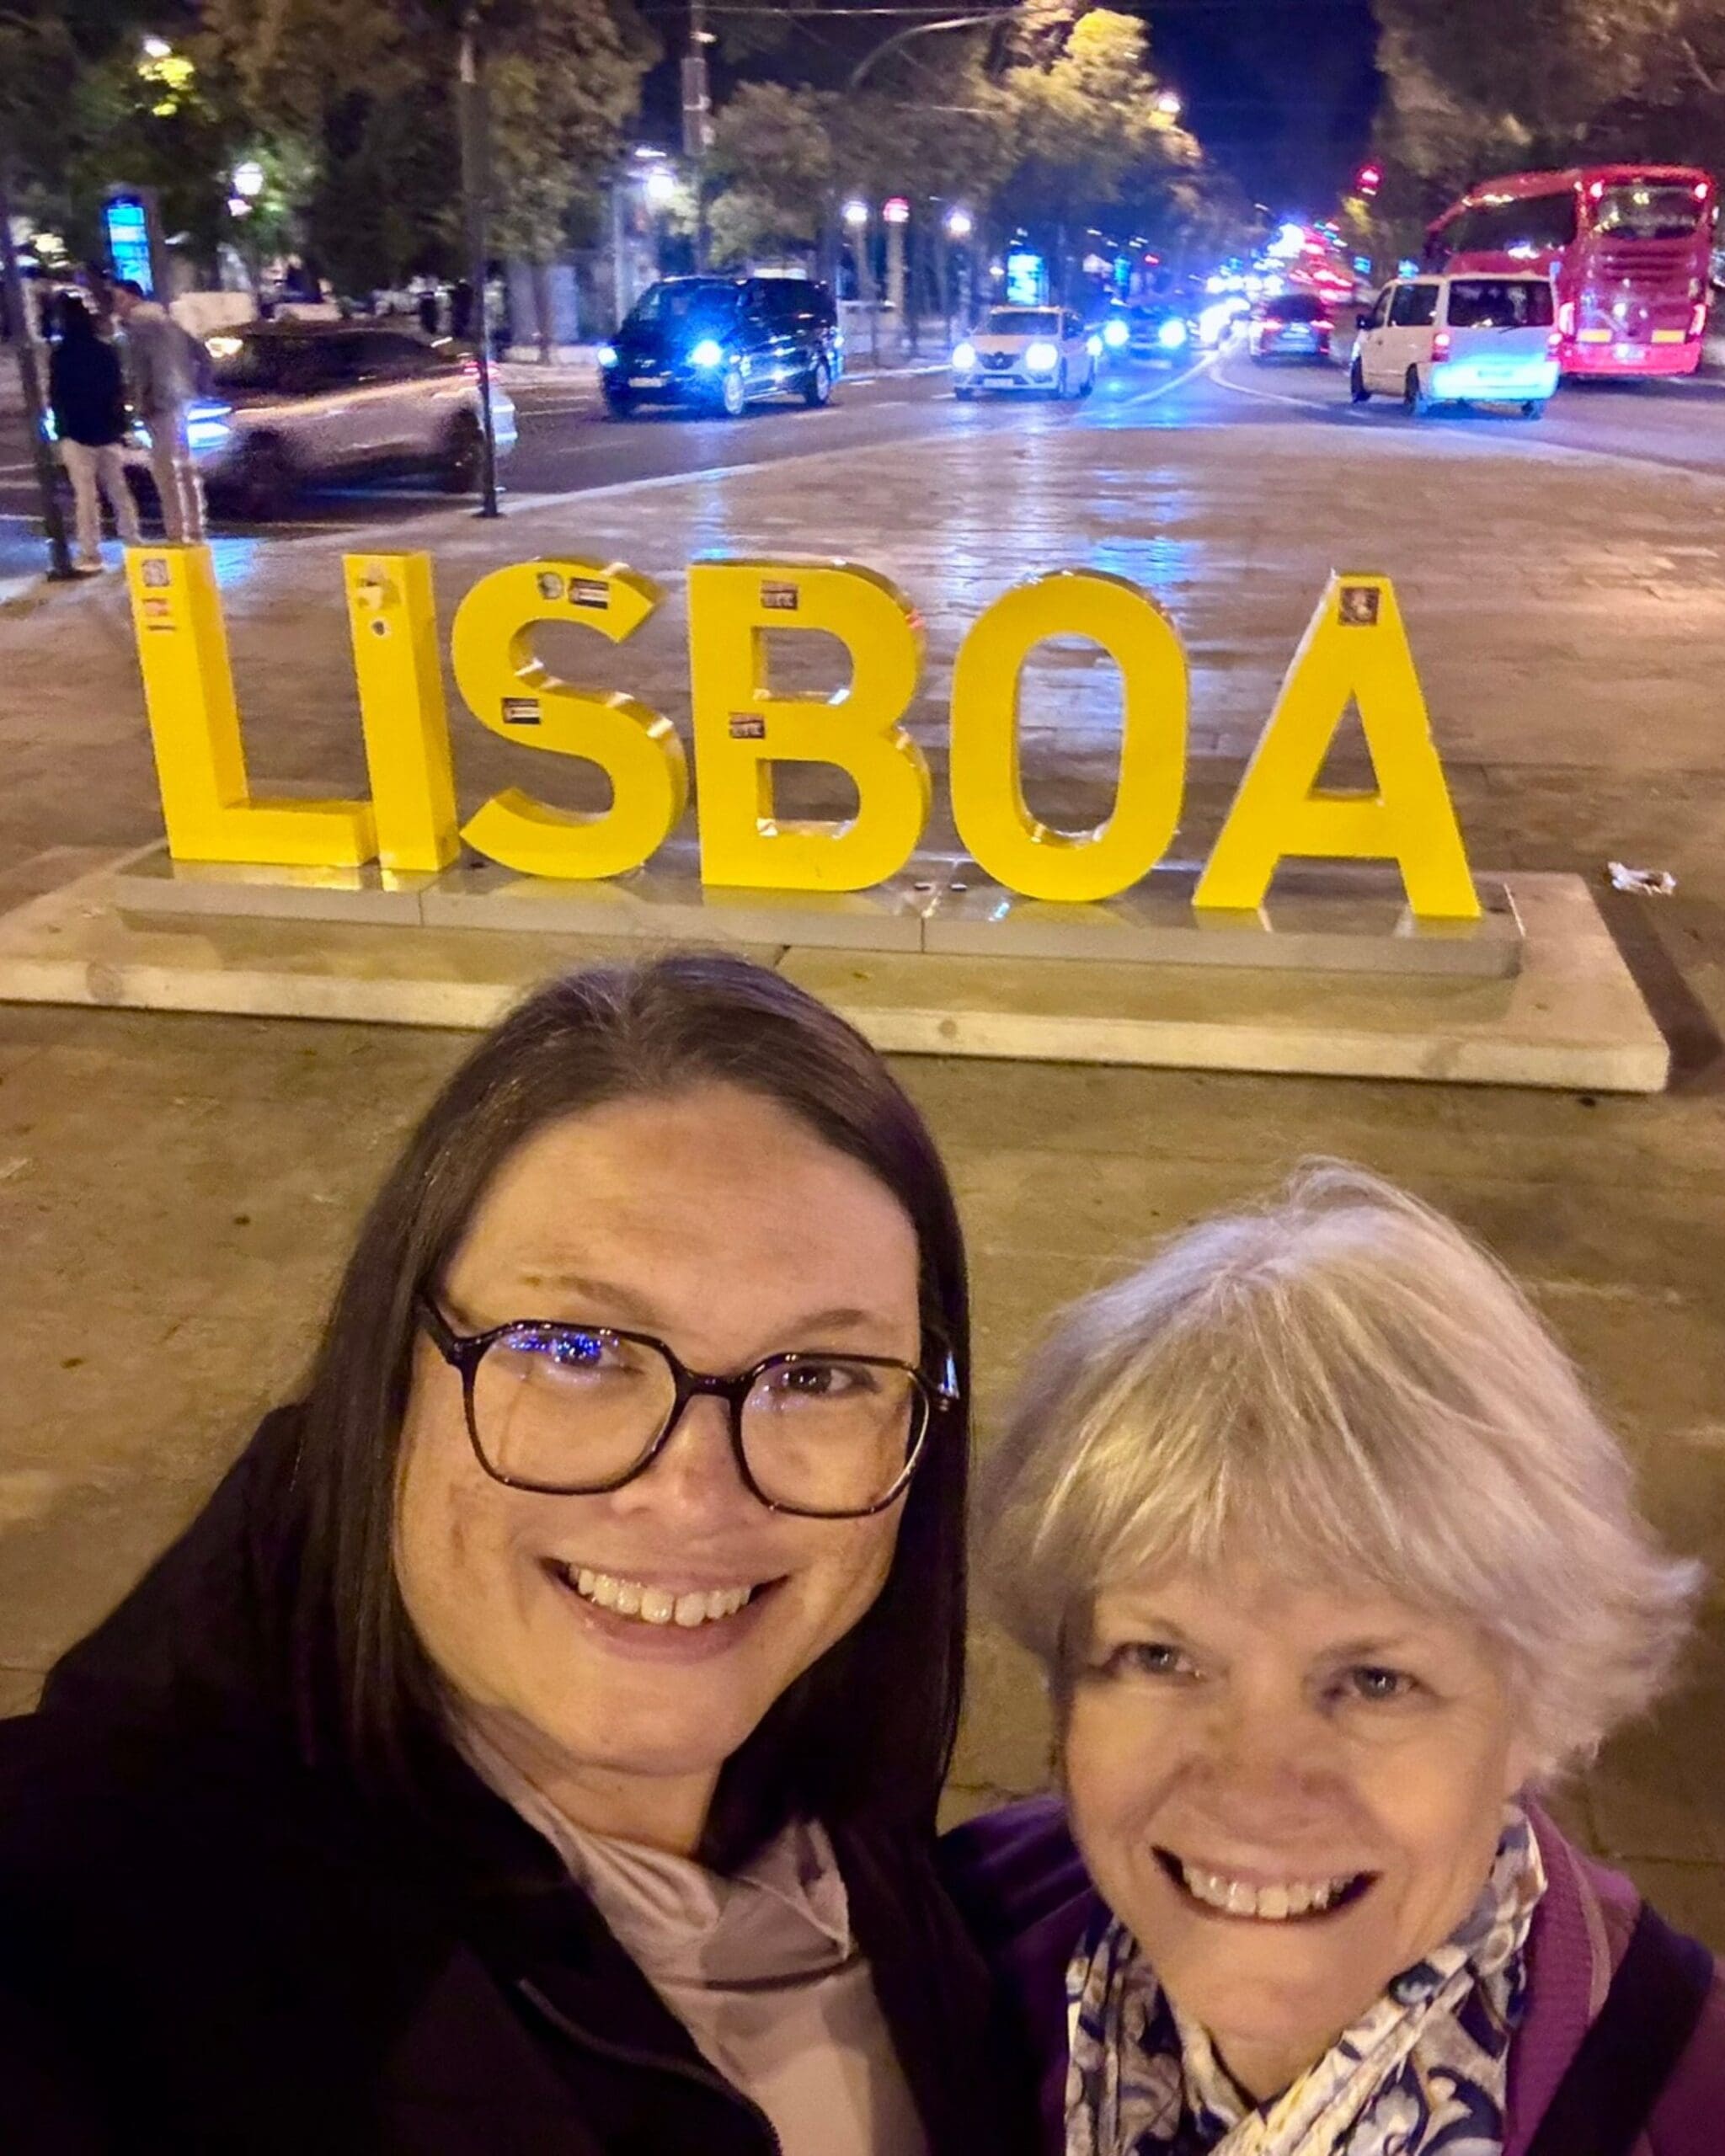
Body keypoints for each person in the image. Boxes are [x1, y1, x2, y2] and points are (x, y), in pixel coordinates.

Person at [0, 954, 1025, 2156]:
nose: (694, 1491)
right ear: (386, 1379)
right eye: (577, 1348)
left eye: (819, 1375)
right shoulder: (84, 1922)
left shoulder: (856, 1807)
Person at [949, 1166, 1723, 2156]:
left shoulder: (1685, 2104)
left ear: (1537, 1707)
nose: (1253, 1787)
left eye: (1371, 1679)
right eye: (1160, 1655)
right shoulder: (952, 1944)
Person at [45, 293, 142, 574]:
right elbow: (117, 390)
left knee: (85, 496)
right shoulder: (105, 352)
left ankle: (91, 551)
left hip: (76, 432)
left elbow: (56, 395)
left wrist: (60, 427)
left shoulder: (61, 356)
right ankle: (133, 540)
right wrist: (120, 425)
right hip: (106, 431)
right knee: (118, 490)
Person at [110, 278, 207, 544]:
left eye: (119, 299)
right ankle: (196, 526)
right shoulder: (169, 322)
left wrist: (137, 404)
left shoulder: (137, 329)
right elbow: (201, 352)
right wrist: (197, 385)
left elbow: (139, 370)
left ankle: (176, 531)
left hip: (158, 403)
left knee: (165, 472)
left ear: (133, 298)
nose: (117, 306)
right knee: (186, 467)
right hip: (182, 399)